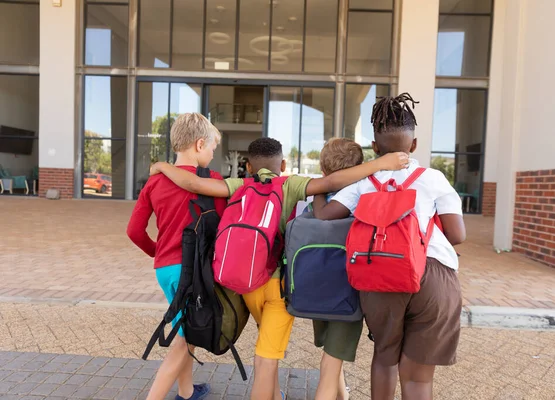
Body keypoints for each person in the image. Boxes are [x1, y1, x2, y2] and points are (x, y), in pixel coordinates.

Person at [150, 137, 410, 400]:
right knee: (266, 360)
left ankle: (276, 394)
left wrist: (162, 165)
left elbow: (194, 183)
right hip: (278, 288)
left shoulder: (239, 184)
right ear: (283, 164)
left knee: (267, 347)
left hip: (247, 285)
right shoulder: (290, 184)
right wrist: (382, 163)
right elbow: (333, 182)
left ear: (248, 167)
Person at [312, 93, 466, 400]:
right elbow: (457, 234)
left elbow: (324, 216)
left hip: (379, 273)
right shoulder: (434, 179)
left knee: (385, 357)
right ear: (414, 144)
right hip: (432, 276)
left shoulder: (364, 182)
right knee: (419, 378)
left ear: (374, 148)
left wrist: (322, 185)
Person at [127, 113, 226, 400]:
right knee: (184, 339)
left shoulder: (155, 182)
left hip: (165, 269)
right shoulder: (215, 182)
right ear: (198, 145)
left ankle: (187, 391)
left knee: (186, 326)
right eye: (211, 148)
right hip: (194, 271)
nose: (211, 154)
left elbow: (134, 230)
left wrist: (159, 253)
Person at [302, 138, 365, 400]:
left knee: (331, 352)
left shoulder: (314, 200)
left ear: (323, 169)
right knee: (331, 361)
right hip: (347, 293)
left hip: (317, 289)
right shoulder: (362, 197)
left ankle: (343, 395)